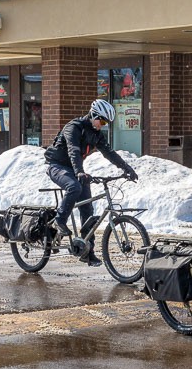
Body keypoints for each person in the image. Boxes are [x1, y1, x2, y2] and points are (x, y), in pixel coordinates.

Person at [43, 98, 139, 266]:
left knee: (87, 209)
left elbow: (109, 153)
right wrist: (79, 172)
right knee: (74, 187)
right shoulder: (73, 127)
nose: (103, 125)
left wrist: (127, 168)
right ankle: (59, 220)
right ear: (93, 115)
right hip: (57, 166)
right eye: (102, 121)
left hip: (75, 170)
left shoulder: (96, 135)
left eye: (106, 123)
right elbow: (73, 150)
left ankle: (88, 252)